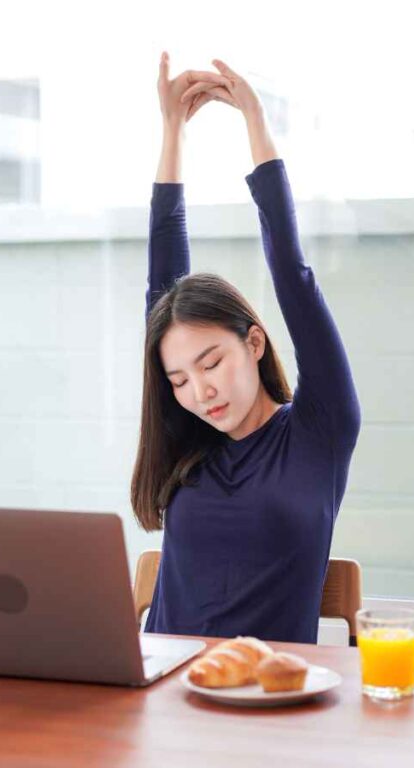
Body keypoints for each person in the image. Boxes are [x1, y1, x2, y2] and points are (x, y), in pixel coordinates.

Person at [130, 53, 361, 643]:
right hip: (163, 693)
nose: (199, 391)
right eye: (179, 380)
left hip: (272, 702)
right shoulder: (190, 441)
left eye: (211, 364)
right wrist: (170, 131)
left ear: (254, 341)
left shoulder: (320, 430)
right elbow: (163, 281)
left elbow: (293, 274)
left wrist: (254, 121)